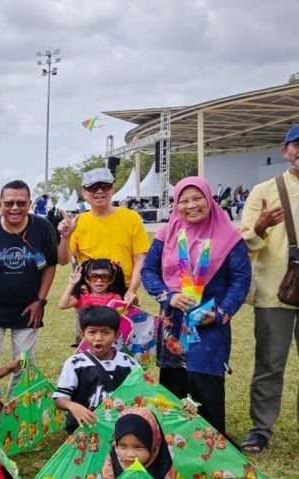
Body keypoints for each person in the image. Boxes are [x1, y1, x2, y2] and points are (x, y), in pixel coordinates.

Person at [141, 177, 250, 436]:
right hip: (173, 320)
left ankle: (211, 443)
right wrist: (167, 296)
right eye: (184, 200)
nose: (191, 205)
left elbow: (241, 279)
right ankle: (173, 441)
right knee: (173, 382)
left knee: (204, 378)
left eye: (197, 198)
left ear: (209, 199)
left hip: (208, 320)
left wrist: (221, 313)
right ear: (176, 204)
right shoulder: (167, 232)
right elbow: (148, 271)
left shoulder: (229, 236)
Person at [238, 124, 299, 453]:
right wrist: (260, 227)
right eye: (297, 145)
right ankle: (261, 428)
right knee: (269, 364)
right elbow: (244, 241)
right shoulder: (265, 189)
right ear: (285, 151)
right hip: (274, 290)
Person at [0, 180, 57, 394]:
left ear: (30, 203)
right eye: (9, 203)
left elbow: (50, 265)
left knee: (24, 365)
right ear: (0, 204)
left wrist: (40, 301)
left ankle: (15, 413)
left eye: (20, 203)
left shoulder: (43, 229)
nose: (15, 208)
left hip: (27, 310)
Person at [56, 168, 150, 304]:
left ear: (112, 190)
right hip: (90, 297)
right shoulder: (77, 222)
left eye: (105, 186)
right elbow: (63, 261)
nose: (100, 191)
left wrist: (132, 290)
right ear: (84, 193)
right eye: (93, 188)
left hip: (124, 295)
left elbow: (140, 259)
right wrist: (66, 237)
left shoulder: (131, 218)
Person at [53, 307, 138, 433]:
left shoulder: (128, 363)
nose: (98, 338)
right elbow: (59, 398)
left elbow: (141, 392)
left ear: (117, 335)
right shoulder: (75, 364)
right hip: (83, 428)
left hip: (119, 428)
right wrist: (72, 406)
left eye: (105, 332)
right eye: (92, 332)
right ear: (82, 334)